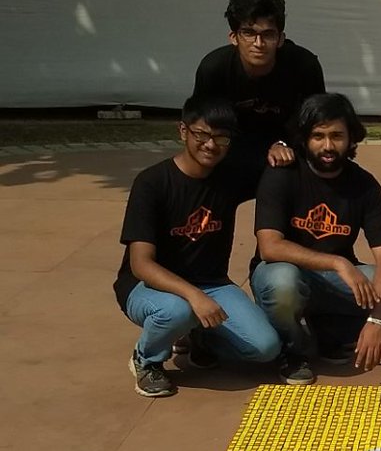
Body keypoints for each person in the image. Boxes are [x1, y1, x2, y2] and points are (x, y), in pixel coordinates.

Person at [114, 97, 281, 398]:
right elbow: (141, 264)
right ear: (183, 131)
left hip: (212, 284)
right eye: (201, 135)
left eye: (221, 138)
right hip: (148, 287)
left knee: (266, 347)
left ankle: (201, 336)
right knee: (177, 311)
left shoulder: (229, 178)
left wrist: (278, 149)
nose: (210, 145)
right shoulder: (152, 182)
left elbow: (272, 170)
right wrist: (194, 296)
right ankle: (147, 360)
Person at [251, 92, 381, 386]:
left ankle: (330, 330)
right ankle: (292, 350)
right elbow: (270, 246)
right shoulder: (282, 175)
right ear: (304, 138)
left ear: (351, 137)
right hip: (282, 270)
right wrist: (339, 262)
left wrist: (378, 319)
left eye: (337, 136)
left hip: (333, 279)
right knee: (283, 285)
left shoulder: (364, 185)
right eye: (318, 136)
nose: (328, 146)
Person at [192, 0, 325, 183]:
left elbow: (317, 123)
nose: (258, 44)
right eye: (248, 33)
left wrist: (284, 145)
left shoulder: (304, 66)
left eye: (268, 35)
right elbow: (202, 127)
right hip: (231, 150)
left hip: (289, 151)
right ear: (233, 37)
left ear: (280, 38)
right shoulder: (214, 69)